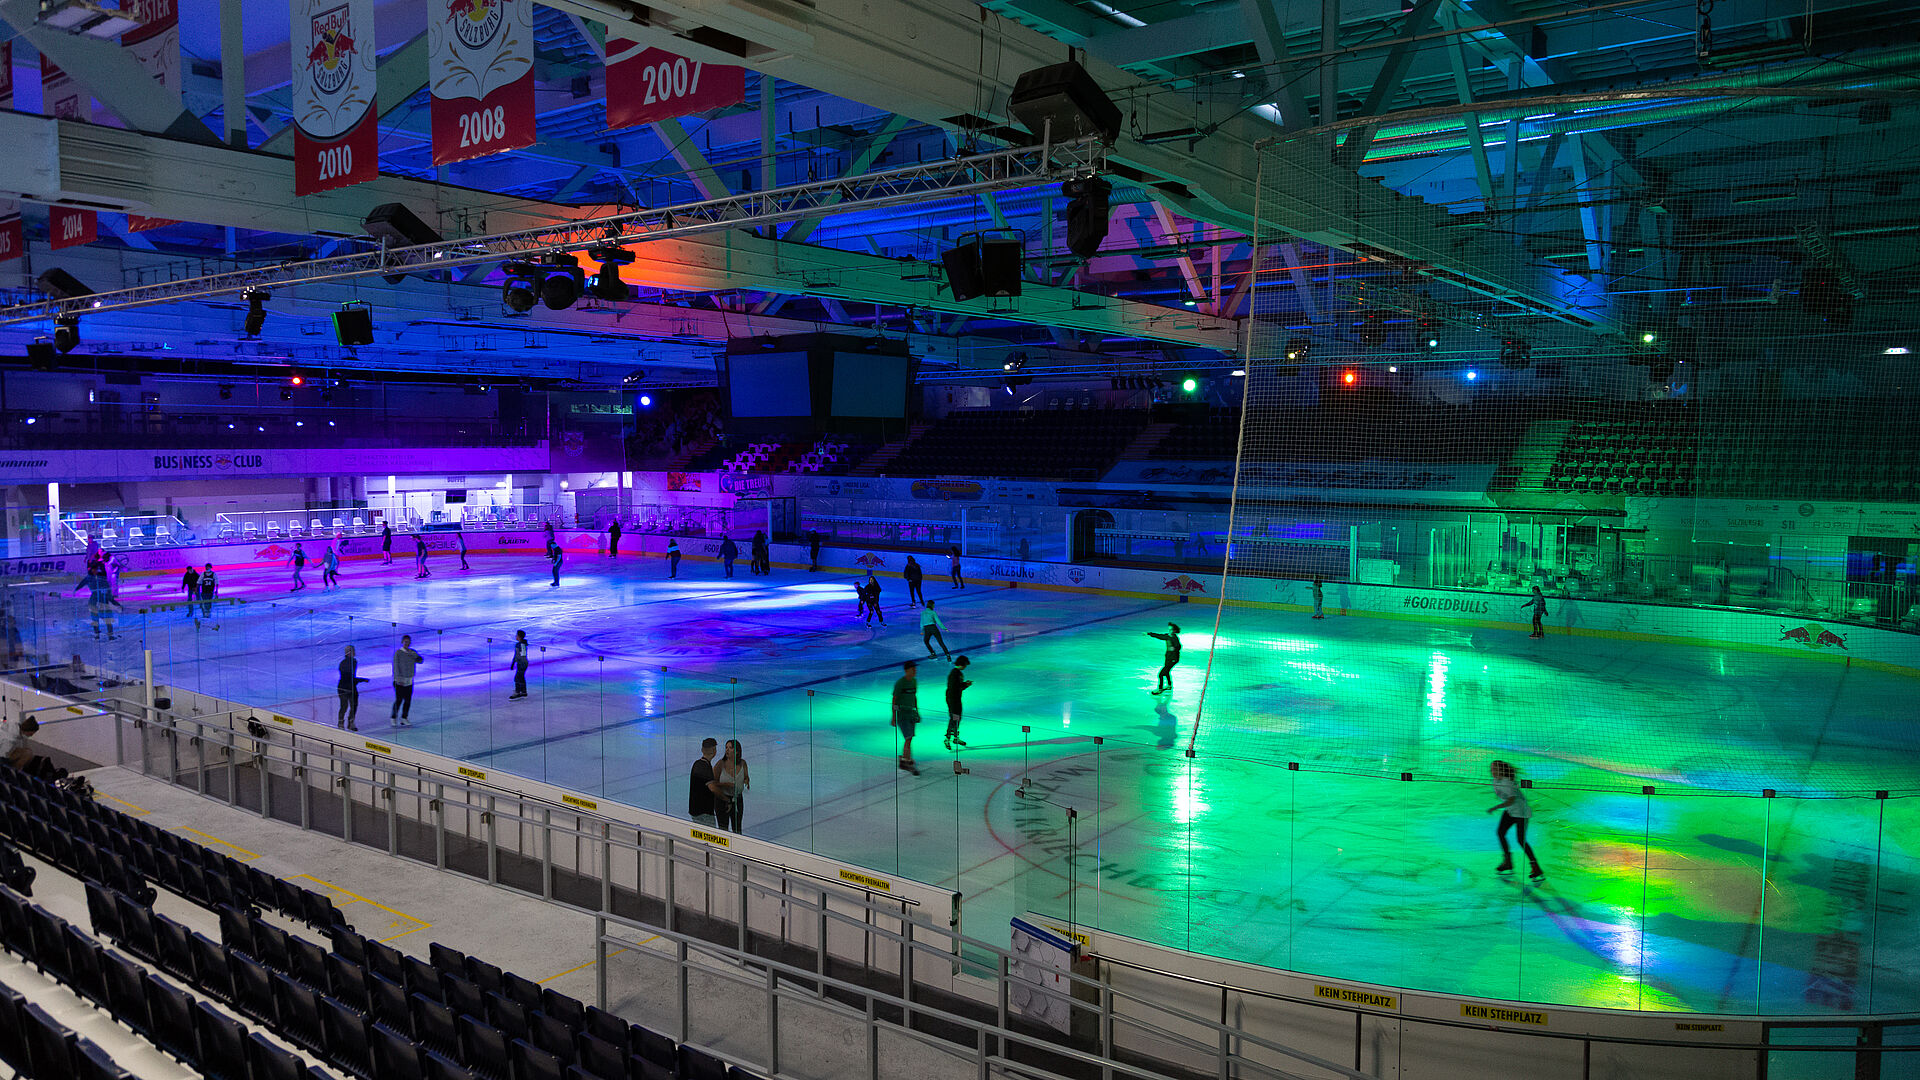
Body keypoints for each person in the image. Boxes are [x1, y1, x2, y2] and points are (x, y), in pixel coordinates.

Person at [1487, 760, 1544, 881]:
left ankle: (1536, 867)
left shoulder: (1507, 782)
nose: (1492, 771)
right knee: (1500, 832)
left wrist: (1495, 807)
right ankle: (1507, 861)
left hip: (1521, 812)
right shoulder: (1495, 781)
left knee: (1520, 840)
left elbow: (1511, 800)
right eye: (1491, 769)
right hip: (1510, 811)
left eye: (1494, 769)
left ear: (1501, 770)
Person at [892, 661, 922, 775]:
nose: (915, 671)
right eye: (912, 669)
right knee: (908, 738)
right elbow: (894, 700)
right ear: (906, 670)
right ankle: (906, 761)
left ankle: (905, 758)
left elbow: (914, 697)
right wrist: (894, 717)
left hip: (911, 714)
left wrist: (917, 712)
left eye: (915, 669)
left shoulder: (914, 682)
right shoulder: (900, 683)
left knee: (910, 738)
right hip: (902, 715)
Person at [714, 738, 750, 833]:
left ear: (737, 751)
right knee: (723, 829)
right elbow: (712, 783)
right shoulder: (720, 764)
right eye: (726, 747)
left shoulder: (743, 763)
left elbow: (746, 776)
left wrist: (747, 781)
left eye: (730, 748)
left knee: (737, 829)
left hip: (737, 800)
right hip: (722, 801)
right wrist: (725, 784)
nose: (727, 750)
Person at [390, 635, 423, 726]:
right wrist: (398, 679)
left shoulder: (412, 652)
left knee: (407, 700)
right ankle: (393, 717)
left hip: (409, 680)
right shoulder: (398, 653)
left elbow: (420, 660)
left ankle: (404, 717)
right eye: (405, 642)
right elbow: (395, 667)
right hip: (399, 681)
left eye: (408, 642)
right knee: (399, 700)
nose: (407, 644)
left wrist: (415, 656)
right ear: (402, 642)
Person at [688, 738, 720, 827]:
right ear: (714, 751)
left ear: (702, 750)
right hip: (704, 812)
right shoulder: (705, 767)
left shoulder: (697, 764)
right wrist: (725, 799)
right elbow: (712, 788)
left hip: (695, 810)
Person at [336, 644, 368, 730]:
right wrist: (361, 680)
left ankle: (351, 722)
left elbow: (351, 677)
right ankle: (341, 722)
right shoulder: (344, 663)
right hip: (344, 687)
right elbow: (348, 677)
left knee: (354, 705)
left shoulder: (354, 661)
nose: (354, 653)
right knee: (344, 706)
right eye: (352, 651)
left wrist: (359, 680)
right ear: (348, 653)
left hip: (351, 687)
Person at [944, 655, 972, 751]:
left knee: (957, 718)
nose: (965, 667)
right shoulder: (954, 674)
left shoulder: (958, 673)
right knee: (954, 718)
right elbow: (954, 688)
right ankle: (947, 738)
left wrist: (965, 685)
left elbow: (958, 687)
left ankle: (955, 737)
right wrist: (965, 685)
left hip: (956, 699)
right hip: (953, 699)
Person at [1147, 622, 1181, 695]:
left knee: (1161, 674)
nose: (1170, 631)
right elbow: (1159, 636)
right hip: (1168, 658)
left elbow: (1179, 647)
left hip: (1173, 659)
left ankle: (1160, 688)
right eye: (1169, 629)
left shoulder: (1175, 638)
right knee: (1166, 671)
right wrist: (1149, 634)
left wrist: (1174, 648)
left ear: (1175, 630)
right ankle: (1169, 685)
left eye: (1171, 630)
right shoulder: (1167, 636)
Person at [508, 630, 530, 700]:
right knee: (521, 677)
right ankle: (523, 691)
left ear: (519, 637)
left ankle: (518, 692)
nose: (516, 636)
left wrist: (515, 662)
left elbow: (520, 655)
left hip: (522, 663)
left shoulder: (520, 645)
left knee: (517, 678)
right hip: (522, 663)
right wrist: (513, 663)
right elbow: (517, 655)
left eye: (517, 635)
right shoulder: (520, 644)